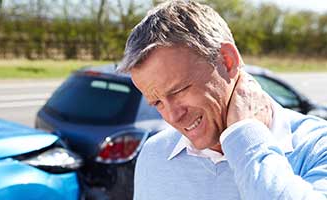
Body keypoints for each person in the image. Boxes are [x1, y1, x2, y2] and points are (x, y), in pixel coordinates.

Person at [118, 0, 327, 199]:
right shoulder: (154, 154)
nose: (173, 116)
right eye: (157, 103)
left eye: (179, 90)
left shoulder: (318, 148)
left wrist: (246, 138)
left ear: (228, 60)